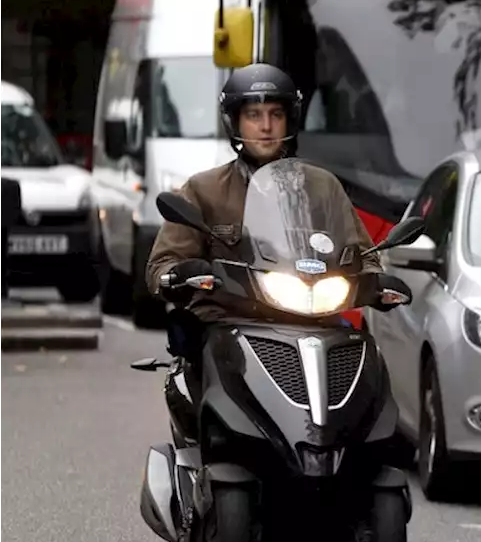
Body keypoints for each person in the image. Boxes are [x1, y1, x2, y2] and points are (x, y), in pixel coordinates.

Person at [143, 63, 402, 414]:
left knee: (370, 391)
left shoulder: (322, 186)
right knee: (207, 399)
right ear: (235, 121)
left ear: (289, 120)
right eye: (253, 115)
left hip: (314, 319)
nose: (265, 126)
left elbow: (362, 252)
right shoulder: (203, 191)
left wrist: (375, 280)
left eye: (275, 114)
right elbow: (163, 264)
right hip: (229, 324)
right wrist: (177, 276)